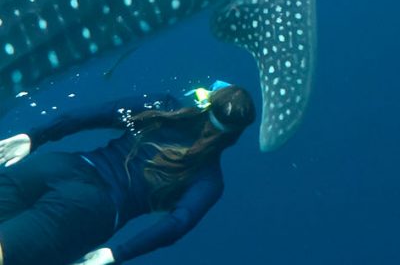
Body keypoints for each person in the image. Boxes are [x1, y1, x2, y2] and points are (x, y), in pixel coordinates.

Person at [0, 81, 256, 265]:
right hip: (88, 209)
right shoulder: (208, 178)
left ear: (206, 101)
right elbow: (179, 222)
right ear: (234, 135)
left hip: (56, 166)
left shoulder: (163, 106)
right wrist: (118, 253)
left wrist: (35, 137)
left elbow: (98, 113)